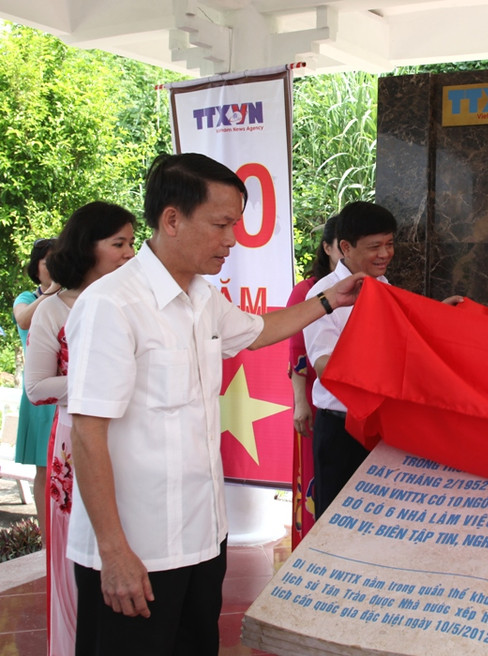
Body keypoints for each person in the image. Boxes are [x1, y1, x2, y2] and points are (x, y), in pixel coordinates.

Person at [64, 153, 364, 656]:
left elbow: (260, 331)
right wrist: (114, 552)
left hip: (201, 540)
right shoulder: (112, 306)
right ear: (172, 219)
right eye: (221, 224)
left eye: (236, 225)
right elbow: (88, 433)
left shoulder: (204, 297)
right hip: (135, 551)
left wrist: (332, 300)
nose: (232, 239)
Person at [24, 202, 136, 656]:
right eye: (118, 244)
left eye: (131, 242)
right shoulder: (54, 309)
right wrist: (99, 377)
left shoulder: (129, 301)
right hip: (75, 444)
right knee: (79, 550)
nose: (130, 253)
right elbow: (35, 388)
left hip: (127, 438)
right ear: (88, 248)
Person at [303, 202, 397, 518]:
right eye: (375, 246)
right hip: (341, 429)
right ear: (345, 247)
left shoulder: (383, 286)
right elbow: (325, 366)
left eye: (390, 244)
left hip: (380, 424)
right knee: (336, 524)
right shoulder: (321, 295)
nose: (385, 253)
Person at [287, 214, 341, 546]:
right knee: (315, 475)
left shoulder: (379, 287)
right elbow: (296, 351)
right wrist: (300, 402)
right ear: (330, 247)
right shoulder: (309, 290)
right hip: (313, 393)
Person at [12, 238, 58, 545]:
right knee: (44, 466)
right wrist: (53, 293)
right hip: (41, 394)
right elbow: (24, 318)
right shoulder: (27, 297)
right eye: (47, 262)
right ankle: (47, 538)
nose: (54, 268)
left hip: (65, 389)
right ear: (36, 267)